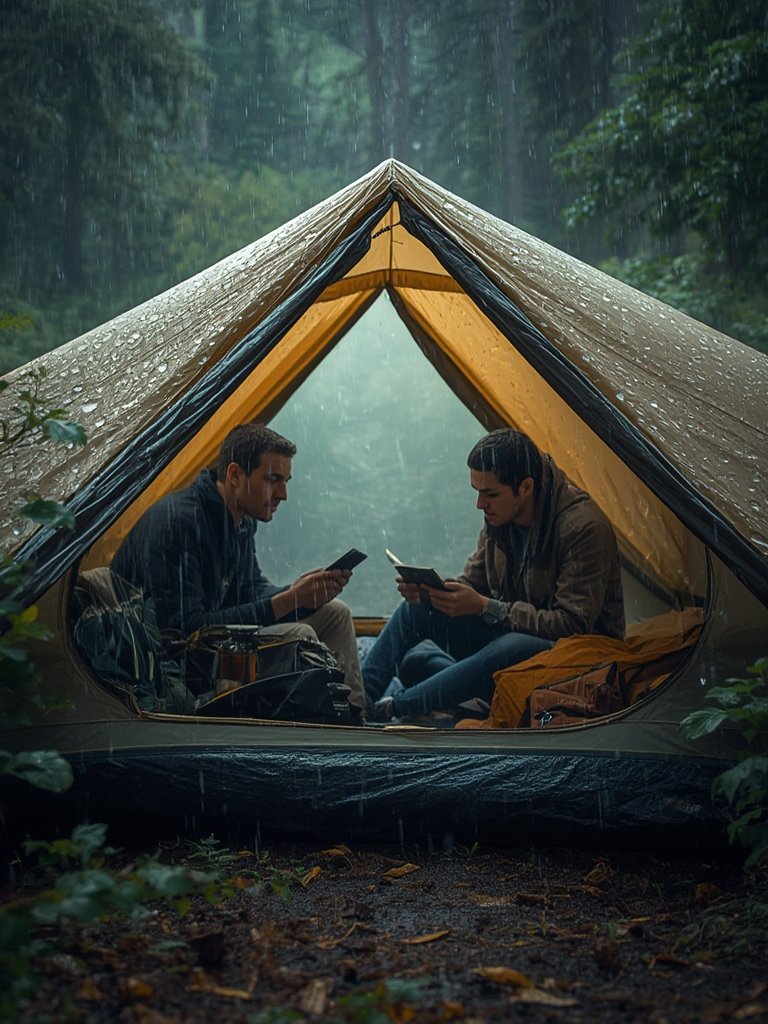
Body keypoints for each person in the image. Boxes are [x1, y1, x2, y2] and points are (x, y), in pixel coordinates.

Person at [363, 428, 625, 722]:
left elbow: (572, 625)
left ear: (526, 487)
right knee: (416, 625)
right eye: (477, 491)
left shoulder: (583, 528)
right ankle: (355, 701)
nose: (479, 504)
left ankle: (390, 709)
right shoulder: (499, 518)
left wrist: (487, 607)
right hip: (511, 640)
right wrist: (433, 592)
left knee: (513, 645)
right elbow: (473, 583)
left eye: (490, 494)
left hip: (573, 658)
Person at [111, 423, 365, 718]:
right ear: (234, 475)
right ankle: (314, 727)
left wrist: (301, 592)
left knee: (336, 612)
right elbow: (184, 630)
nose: (283, 494)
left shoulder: (241, 520)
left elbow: (250, 591)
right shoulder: (179, 525)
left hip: (216, 644)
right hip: (172, 662)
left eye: (286, 481)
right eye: (273, 479)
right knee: (300, 634)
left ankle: (354, 717)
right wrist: (287, 602)